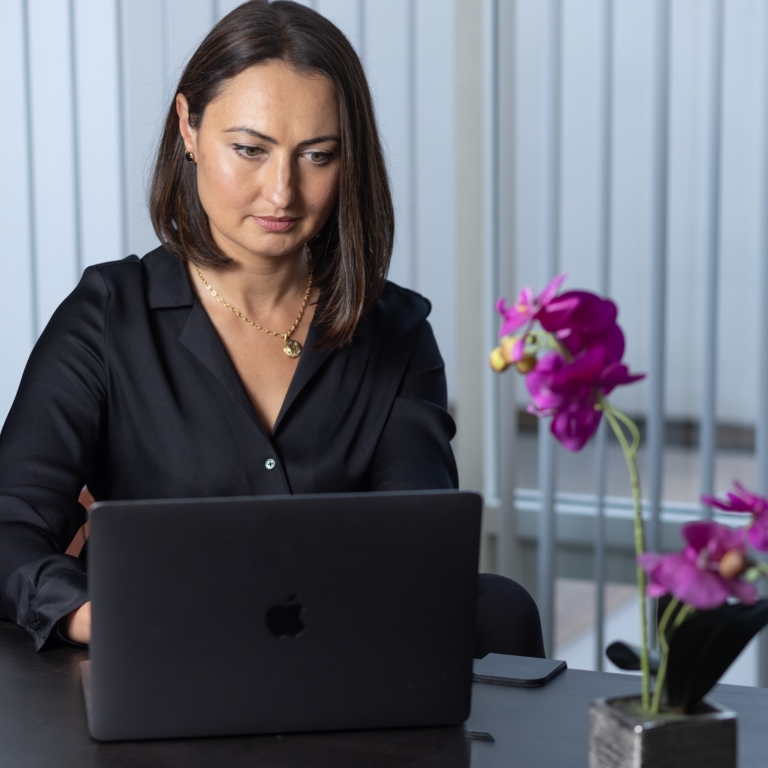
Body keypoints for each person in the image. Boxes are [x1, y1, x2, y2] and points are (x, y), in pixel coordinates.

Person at [0, 0, 543, 658]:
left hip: (344, 664)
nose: (282, 192)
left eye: (317, 156)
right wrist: (99, 616)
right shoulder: (108, 317)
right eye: (250, 151)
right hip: (166, 662)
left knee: (497, 608)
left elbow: (414, 552)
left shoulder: (397, 334)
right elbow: (11, 526)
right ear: (189, 129)